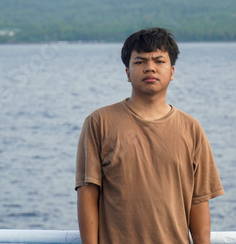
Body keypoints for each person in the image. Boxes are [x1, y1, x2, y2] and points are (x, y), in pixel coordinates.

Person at [75, 27, 224, 244]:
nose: (150, 68)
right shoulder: (99, 122)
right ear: (127, 73)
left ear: (172, 72)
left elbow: (198, 201)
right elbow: (88, 193)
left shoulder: (191, 128)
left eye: (159, 61)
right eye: (140, 62)